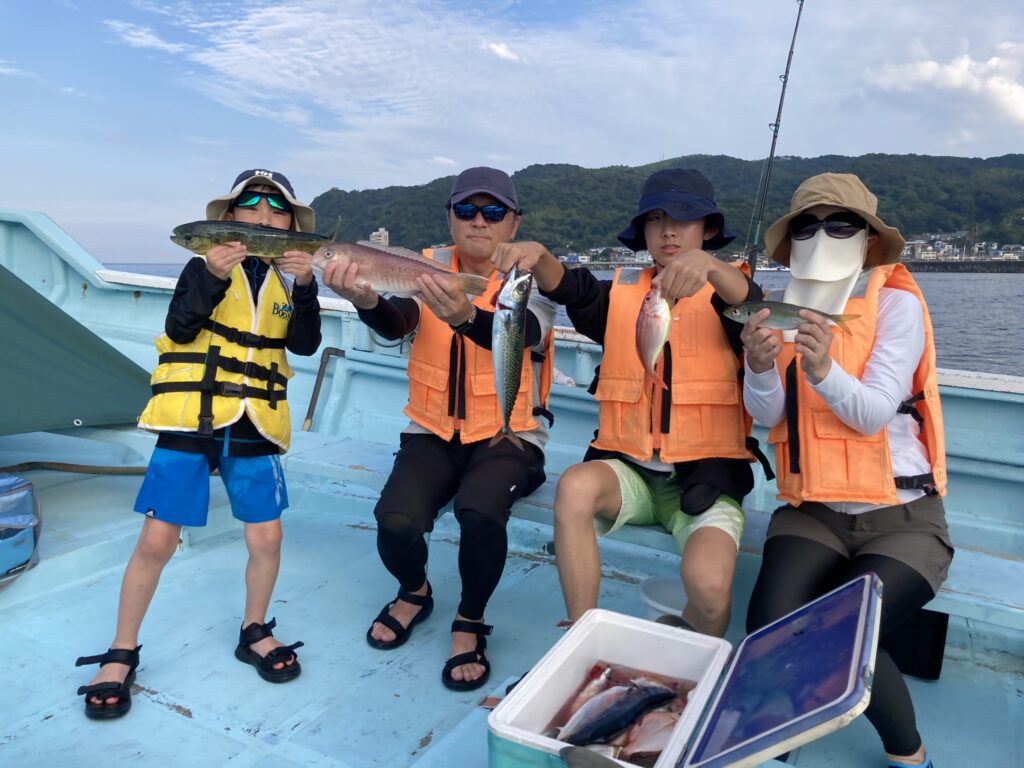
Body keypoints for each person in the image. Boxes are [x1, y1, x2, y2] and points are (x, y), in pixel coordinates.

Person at [75, 169, 322, 719]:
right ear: (228, 219)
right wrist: (211, 273)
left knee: (268, 536)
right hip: (192, 415)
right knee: (158, 540)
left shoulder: (290, 280)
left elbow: (304, 345)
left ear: (289, 223)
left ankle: (253, 629)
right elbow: (182, 327)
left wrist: (307, 289)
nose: (263, 215)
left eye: (276, 208)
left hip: (256, 417)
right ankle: (121, 651)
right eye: (250, 206)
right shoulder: (200, 265)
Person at [491, 168, 765, 637]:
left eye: (684, 218)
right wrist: (539, 258)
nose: (669, 230)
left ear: (709, 230)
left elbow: (752, 305)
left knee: (710, 586)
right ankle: (583, 633)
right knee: (574, 486)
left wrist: (713, 268)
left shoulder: (728, 299)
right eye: (656, 219)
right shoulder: (620, 294)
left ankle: (681, 668)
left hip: (704, 480)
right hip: (629, 472)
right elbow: (570, 287)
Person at [739, 173, 951, 768]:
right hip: (815, 509)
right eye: (807, 224)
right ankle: (782, 731)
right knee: (768, 626)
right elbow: (769, 415)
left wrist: (823, 366)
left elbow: (875, 412)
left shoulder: (896, 303)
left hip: (902, 517)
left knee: (844, 634)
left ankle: (909, 754)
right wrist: (759, 367)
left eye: (841, 223)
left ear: (868, 238)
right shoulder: (784, 305)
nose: (822, 235)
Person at [321, 166, 556, 692]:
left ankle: (470, 619)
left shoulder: (528, 278)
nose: (479, 221)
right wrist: (365, 301)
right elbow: (398, 320)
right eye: (466, 210)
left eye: (493, 211)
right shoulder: (419, 269)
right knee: (395, 521)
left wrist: (466, 318)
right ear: (449, 218)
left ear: (513, 221)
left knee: (479, 511)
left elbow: (533, 333)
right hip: (431, 431)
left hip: (509, 434)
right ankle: (415, 591)